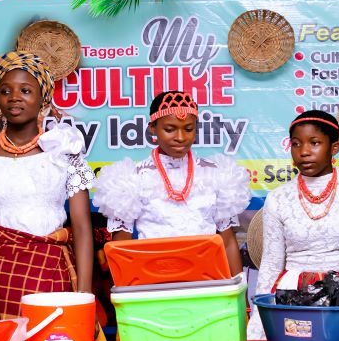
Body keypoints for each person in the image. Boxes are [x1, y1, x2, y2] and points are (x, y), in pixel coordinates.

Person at [0, 51, 94, 326]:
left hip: (49, 275)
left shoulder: (64, 151)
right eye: (5, 90)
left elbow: (81, 228)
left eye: (26, 90)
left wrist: (84, 298)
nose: (14, 97)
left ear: (43, 99)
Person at [246, 111, 339, 339]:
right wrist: (259, 319)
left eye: (314, 143)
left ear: (334, 148)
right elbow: (271, 262)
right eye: (296, 144)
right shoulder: (278, 198)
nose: (304, 152)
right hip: (295, 295)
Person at [93, 90, 250, 275]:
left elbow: (228, 242)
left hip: (208, 280)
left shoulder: (216, 174)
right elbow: (122, 246)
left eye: (188, 129)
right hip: (153, 279)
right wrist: (129, 289)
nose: (180, 137)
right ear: (152, 127)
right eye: (169, 129)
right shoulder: (131, 178)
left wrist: (240, 289)